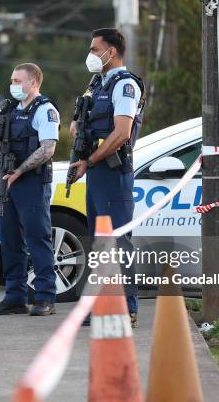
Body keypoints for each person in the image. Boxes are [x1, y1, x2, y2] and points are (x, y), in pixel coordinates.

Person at [69, 28, 145, 327]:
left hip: (113, 172)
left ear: (110, 51)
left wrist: (89, 161)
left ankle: (127, 307)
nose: (90, 54)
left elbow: (122, 133)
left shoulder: (124, 85)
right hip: (97, 172)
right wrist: (77, 127)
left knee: (118, 243)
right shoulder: (98, 83)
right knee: (99, 243)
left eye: (93, 48)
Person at [0, 63, 60, 316]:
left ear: (34, 81)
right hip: (6, 182)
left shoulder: (45, 110)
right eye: (12, 81)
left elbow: (48, 149)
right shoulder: (9, 109)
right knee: (10, 242)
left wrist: (20, 171)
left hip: (31, 182)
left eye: (18, 81)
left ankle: (45, 298)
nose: (13, 85)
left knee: (37, 238)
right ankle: (14, 297)